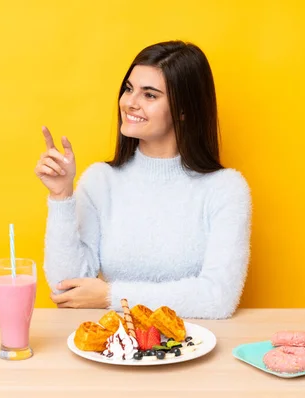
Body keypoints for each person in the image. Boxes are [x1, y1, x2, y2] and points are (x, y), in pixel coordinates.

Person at [35, 40, 252, 319]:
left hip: (196, 349)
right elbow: (66, 288)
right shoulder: (100, 181)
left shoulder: (226, 189)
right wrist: (61, 197)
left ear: (183, 110)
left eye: (149, 95)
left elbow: (218, 298)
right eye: (129, 89)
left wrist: (111, 296)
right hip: (118, 352)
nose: (130, 103)